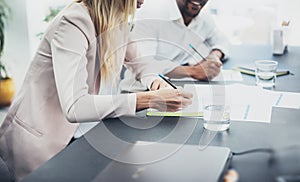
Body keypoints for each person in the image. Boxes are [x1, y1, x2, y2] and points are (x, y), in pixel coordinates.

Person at [0, 0, 192, 181]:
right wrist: (148, 100)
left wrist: (156, 82)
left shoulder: (118, 22)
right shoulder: (74, 22)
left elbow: (140, 63)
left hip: (85, 133)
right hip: (44, 145)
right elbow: (75, 106)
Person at [120, 0, 230, 92]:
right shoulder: (150, 15)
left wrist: (214, 56)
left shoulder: (204, 19)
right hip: (140, 91)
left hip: (177, 87)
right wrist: (194, 71)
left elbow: (222, 41)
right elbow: (144, 65)